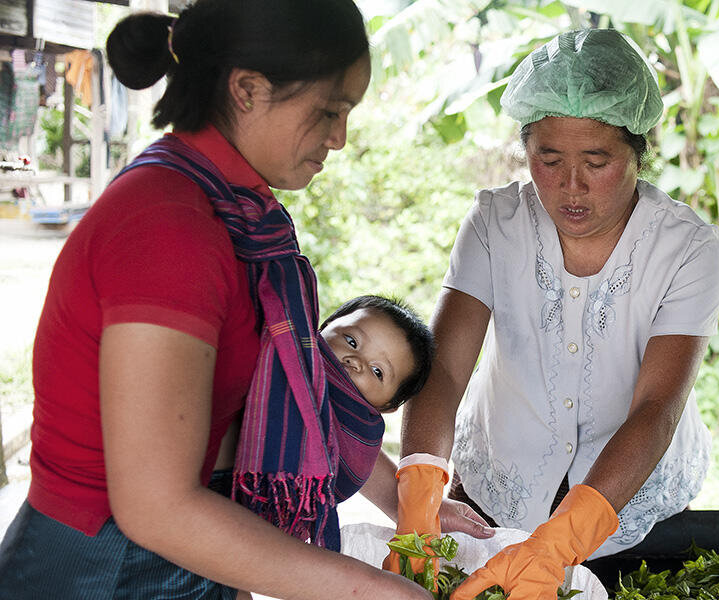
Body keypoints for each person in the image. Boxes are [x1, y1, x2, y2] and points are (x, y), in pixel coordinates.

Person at [0, 2, 487, 599]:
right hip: (103, 568)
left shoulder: (243, 213)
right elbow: (156, 507)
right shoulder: (169, 228)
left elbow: (308, 394)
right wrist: (377, 591)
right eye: (329, 110)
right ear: (249, 90)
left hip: (187, 555)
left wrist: (408, 504)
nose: (340, 137)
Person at [386, 28, 719, 600]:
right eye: (548, 159)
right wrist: (420, 488)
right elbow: (444, 371)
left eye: (597, 161)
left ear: (638, 150)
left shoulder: (688, 250)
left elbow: (657, 407)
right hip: (494, 488)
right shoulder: (496, 223)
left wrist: (560, 541)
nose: (572, 186)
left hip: (628, 506)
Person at [319, 294, 435, 413]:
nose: (356, 361)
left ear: (386, 406)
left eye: (377, 371)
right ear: (327, 325)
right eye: (351, 342)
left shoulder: (357, 429)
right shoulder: (300, 351)